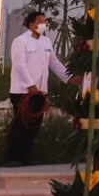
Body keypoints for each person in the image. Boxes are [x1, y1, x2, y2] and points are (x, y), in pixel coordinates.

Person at [5, 11, 73, 166]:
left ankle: (26, 156)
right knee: (21, 124)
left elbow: (54, 63)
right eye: (40, 21)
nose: (43, 24)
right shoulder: (20, 41)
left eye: (45, 21)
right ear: (31, 24)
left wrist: (69, 78)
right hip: (23, 91)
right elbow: (20, 64)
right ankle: (12, 157)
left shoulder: (46, 42)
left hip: (40, 91)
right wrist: (30, 84)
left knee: (34, 125)